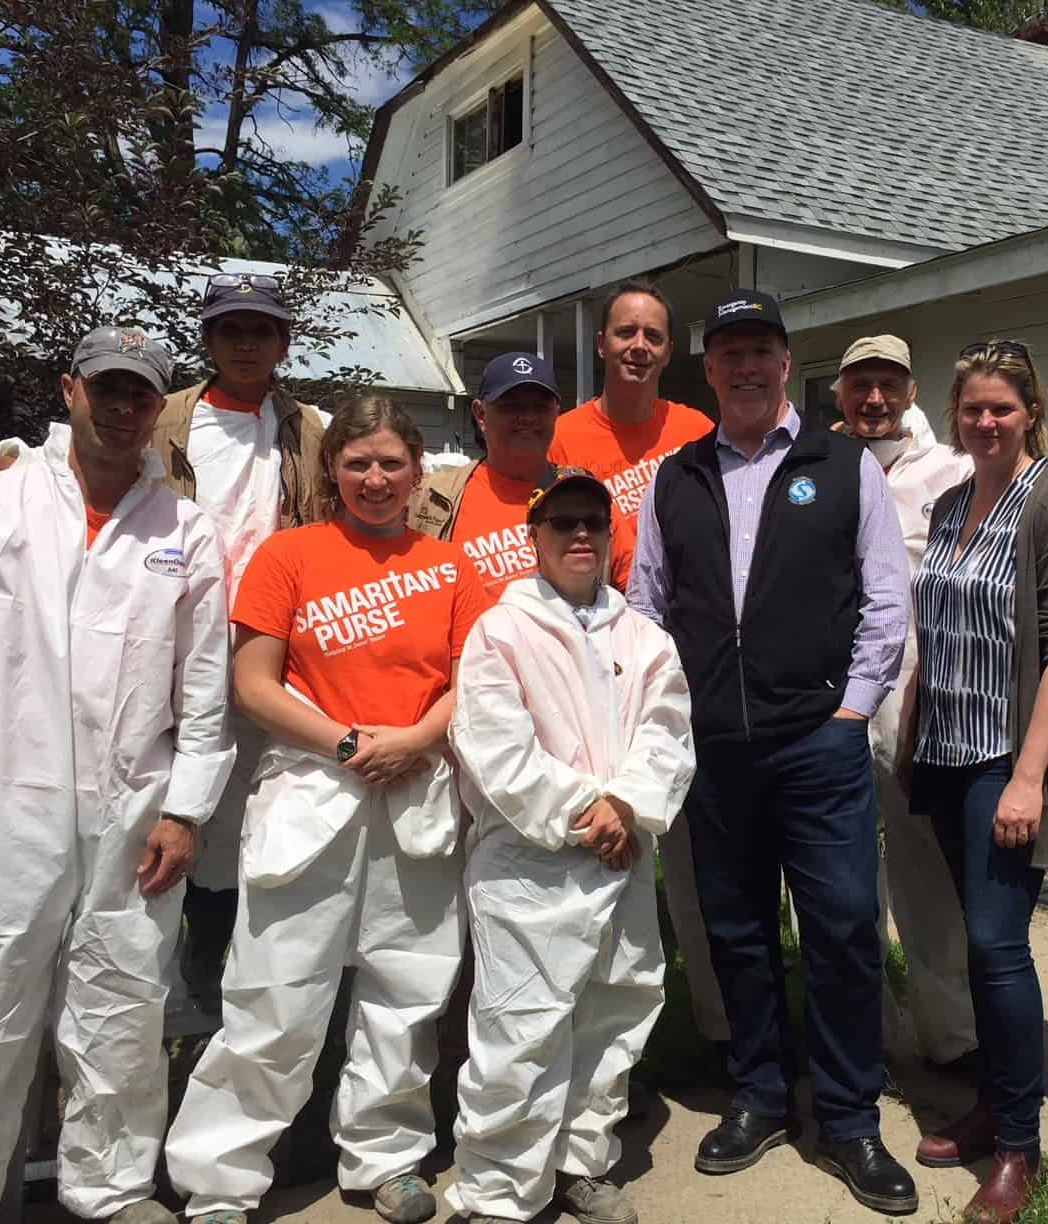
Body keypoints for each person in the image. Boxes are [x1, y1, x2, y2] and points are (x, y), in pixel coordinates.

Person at [0, 271, 330, 1016]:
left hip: (267, 667)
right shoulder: (165, 413)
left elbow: (398, 463)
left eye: (263, 330)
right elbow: (76, 449)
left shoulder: (311, 428)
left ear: (283, 343)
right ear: (207, 340)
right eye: (230, 329)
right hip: (160, 645)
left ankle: (211, 1009)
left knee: (246, 847)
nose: (246, 342)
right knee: (153, 847)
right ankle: (137, 1017)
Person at [0, 327, 234, 1224]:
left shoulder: (185, 528)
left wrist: (187, 811)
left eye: (141, 394)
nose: (124, 408)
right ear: (71, 390)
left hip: (136, 810)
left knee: (123, 1006)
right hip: (4, 807)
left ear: (157, 406)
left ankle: (110, 1190)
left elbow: (203, 687)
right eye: (109, 389)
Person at [628, 290, 918, 1215]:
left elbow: (885, 599)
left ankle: (848, 1116)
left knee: (839, 932)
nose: (745, 368)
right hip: (716, 751)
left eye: (761, 351)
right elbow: (645, 607)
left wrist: (852, 712)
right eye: (728, 354)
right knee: (738, 935)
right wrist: (672, 716)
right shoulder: (678, 477)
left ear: (786, 363)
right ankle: (757, 1093)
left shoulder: (842, 465)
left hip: (817, 744)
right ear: (707, 370)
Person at [164, 397, 488, 1224]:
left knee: (405, 995)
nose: (375, 480)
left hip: (415, 796)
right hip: (313, 796)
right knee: (274, 999)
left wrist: (413, 738)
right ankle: (219, 1180)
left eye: (391, 464)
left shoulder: (449, 568)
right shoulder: (290, 555)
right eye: (357, 463)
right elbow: (252, 682)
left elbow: (469, 681)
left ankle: (385, 1158)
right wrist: (348, 743)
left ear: (418, 472)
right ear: (330, 470)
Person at [447, 467, 696, 1224]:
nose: (581, 534)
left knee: (615, 1012)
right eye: (563, 524)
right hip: (533, 862)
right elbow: (494, 747)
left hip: (622, 856)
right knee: (519, 1029)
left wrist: (629, 805)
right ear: (536, 537)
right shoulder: (502, 629)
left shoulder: (644, 636)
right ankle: (497, 1192)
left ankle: (582, 1161)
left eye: (594, 520)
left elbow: (669, 735)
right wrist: (589, 809)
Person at [896, 340, 1048, 1224]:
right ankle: (992, 1104)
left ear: (1031, 414)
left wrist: (1028, 779)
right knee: (978, 947)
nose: (985, 423)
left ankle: (1021, 1147)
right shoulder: (949, 505)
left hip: (1005, 762)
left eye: (1002, 410)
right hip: (944, 755)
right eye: (973, 409)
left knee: (998, 942)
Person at [547, 279, 727, 1052]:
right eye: (625, 333)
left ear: (669, 349)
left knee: (685, 831)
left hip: (678, 645)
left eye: (654, 335)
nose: (639, 347)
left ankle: (713, 1023)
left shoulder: (694, 429)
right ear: (601, 344)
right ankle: (579, 1021)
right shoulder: (564, 435)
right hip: (586, 644)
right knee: (592, 821)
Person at [832, 334, 978, 1075]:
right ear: (839, 394)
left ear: (911, 393)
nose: (875, 399)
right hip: (834, 697)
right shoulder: (818, 466)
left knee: (927, 875)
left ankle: (950, 1036)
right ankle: (872, 1033)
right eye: (861, 385)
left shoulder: (951, 473)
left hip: (918, 696)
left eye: (889, 385)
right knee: (850, 878)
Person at [407, 351, 634, 603]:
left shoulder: (589, 499)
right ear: (480, 414)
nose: (528, 417)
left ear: (556, 412)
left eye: (541, 407)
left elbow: (638, 595)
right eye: (511, 406)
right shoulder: (434, 499)